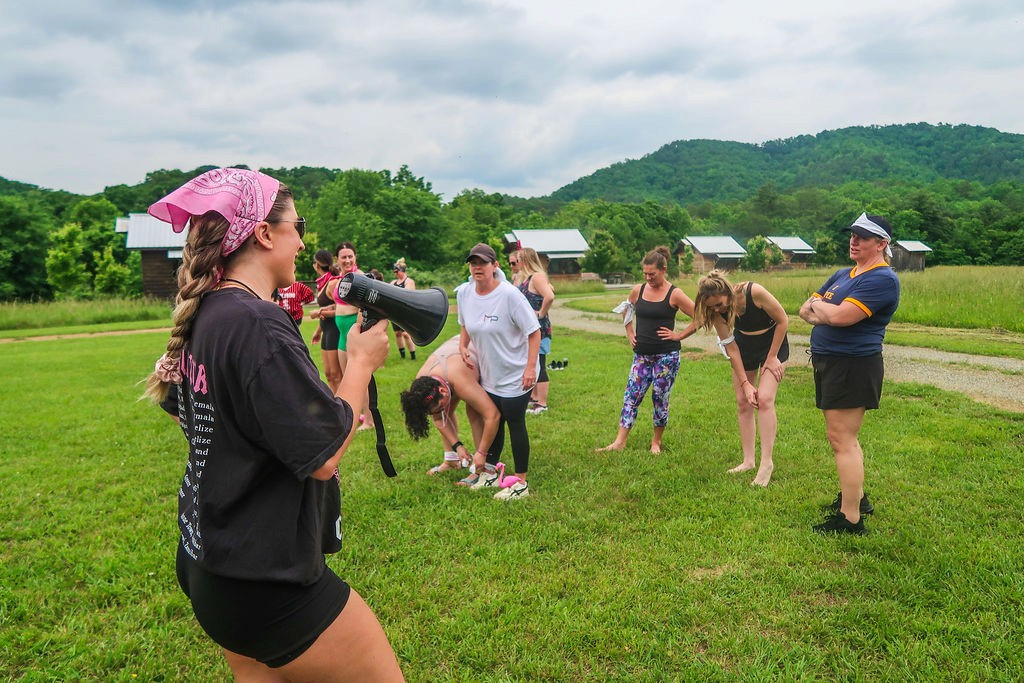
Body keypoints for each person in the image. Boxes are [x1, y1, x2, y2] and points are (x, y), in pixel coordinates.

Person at [143, 168, 403, 680]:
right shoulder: (258, 322)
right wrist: (360, 364)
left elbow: (188, 412)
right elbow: (323, 456)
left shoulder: (209, 311)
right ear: (263, 233)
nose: (303, 242)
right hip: (266, 581)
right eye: (297, 226)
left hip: (208, 565)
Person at [799, 212, 900, 535]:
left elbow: (841, 317)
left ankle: (851, 518)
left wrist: (822, 309)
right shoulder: (844, 274)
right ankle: (856, 498)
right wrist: (824, 311)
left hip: (853, 364)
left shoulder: (882, 279)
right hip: (831, 361)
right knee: (841, 437)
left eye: (862, 237)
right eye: (852, 235)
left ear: (881, 244)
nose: (854, 241)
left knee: (842, 439)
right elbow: (804, 309)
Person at [668, 270, 789, 486]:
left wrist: (771, 358)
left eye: (719, 304)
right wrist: (745, 384)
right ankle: (748, 461)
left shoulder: (753, 292)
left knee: (764, 399)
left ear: (727, 292)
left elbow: (783, 320)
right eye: (712, 307)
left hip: (773, 344)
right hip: (744, 347)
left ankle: (766, 463)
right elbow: (732, 348)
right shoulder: (715, 312)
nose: (717, 309)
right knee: (743, 401)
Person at [457, 243, 540, 500]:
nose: (477, 267)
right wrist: (462, 346)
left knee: (515, 420)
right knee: (494, 419)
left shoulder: (509, 295)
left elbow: (534, 332)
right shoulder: (465, 293)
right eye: (473, 263)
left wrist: (530, 368)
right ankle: (491, 472)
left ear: (495, 265)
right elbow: (465, 323)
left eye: (482, 263)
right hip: (490, 373)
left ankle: (521, 482)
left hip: (517, 372)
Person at [598, 246, 694, 455]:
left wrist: (679, 335)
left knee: (660, 398)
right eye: (645, 274)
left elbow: (700, 316)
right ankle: (619, 442)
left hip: (666, 357)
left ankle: (656, 442)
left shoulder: (675, 293)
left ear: (664, 269)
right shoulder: (638, 290)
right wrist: (629, 332)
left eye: (652, 274)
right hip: (641, 356)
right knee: (631, 396)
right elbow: (627, 308)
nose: (648, 278)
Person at [399, 335, 501, 478]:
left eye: (440, 408)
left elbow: (492, 415)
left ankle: (482, 468)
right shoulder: (422, 387)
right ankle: (451, 460)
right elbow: (439, 419)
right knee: (446, 411)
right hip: (452, 359)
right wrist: (457, 446)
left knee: (474, 412)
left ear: (442, 390)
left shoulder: (459, 380)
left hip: (484, 348)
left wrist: (481, 453)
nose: (440, 412)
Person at [332, 241, 374, 431]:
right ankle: (353, 417)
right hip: (342, 334)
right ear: (337, 259)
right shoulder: (341, 278)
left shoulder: (360, 277)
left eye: (350, 256)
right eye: (344, 257)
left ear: (355, 257)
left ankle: (369, 421)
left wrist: (357, 331)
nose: (347, 260)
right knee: (346, 378)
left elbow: (364, 308)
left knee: (360, 379)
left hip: (352, 331)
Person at [512, 248, 555, 414]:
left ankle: (542, 403)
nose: (516, 264)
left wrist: (541, 313)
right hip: (529, 329)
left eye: (518, 260)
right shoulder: (526, 277)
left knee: (540, 364)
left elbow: (549, 296)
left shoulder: (537, 276)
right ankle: (534, 398)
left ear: (526, 260)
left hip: (540, 328)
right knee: (532, 363)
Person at [309, 249, 343, 393]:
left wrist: (319, 313)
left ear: (317, 265)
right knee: (329, 374)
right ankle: (335, 403)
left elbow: (341, 310)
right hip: (326, 331)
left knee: (336, 374)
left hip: (335, 331)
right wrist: (318, 331)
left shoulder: (332, 283)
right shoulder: (323, 282)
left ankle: (345, 404)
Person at [390, 258, 417, 360]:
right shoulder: (393, 282)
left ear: (402, 270)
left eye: (397, 272)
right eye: (395, 272)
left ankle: (413, 355)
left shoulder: (409, 281)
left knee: (406, 334)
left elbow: (406, 295)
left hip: (406, 312)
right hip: (395, 311)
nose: (396, 274)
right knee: (397, 334)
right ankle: (402, 356)